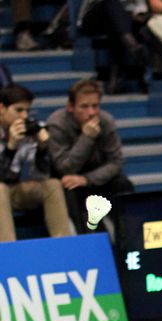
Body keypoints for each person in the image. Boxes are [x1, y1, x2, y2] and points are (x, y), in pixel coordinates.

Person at [46, 79, 134, 233]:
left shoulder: (106, 121)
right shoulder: (57, 124)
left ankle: (129, 237)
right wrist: (86, 139)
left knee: (123, 184)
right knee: (69, 191)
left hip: (96, 179)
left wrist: (87, 180)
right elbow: (65, 168)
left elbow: (116, 162)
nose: (91, 112)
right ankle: (89, 240)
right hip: (70, 181)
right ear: (70, 107)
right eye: (84, 107)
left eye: (95, 106)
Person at [0, 84, 73, 242]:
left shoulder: (28, 130)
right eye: (19, 110)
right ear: (2, 108)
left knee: (52, 184)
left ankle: (65, 245)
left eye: (27, 110)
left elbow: (40, 175)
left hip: (14, 190)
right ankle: (7, 251)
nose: (24, 116)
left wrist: (41, 149)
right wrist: (11, 148)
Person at [79, 0, 149, 95]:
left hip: (123, 21)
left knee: (121, 26)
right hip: (95, 16)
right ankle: (132, 47)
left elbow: (140, 0)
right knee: (112, 3)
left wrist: (139, 12)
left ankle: (117, 76)